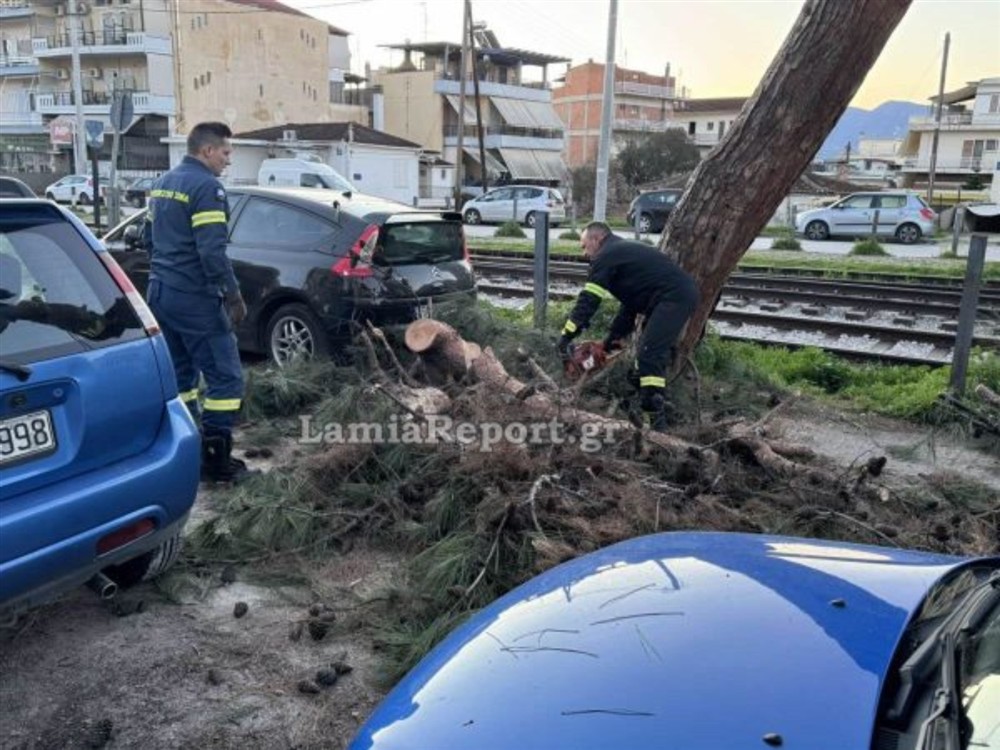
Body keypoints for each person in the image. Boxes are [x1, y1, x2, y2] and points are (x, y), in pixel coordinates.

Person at [145, 121, 254, 483]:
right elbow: (211, 252)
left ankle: (188, 452)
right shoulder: (207, 188)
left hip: (160, 293)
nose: (227, 161)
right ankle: (217, 463)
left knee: (182, 377)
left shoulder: (162, 184)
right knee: (225, 380)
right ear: (207, 151)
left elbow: (148, 239)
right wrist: (233, 295)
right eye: (225, 153)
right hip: (194, 298)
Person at [557, 221, 699, 431]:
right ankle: (651, 405)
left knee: (648, 356)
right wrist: (610, 340)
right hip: (669, 297)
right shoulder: (619, 253)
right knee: (640, 368)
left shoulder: (606, 256)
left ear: (597, 239)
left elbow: (589, 300)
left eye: (584, 246)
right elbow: (630, 306)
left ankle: (657, 425)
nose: (584, 253)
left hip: (673, 298)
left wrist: (566, 336)